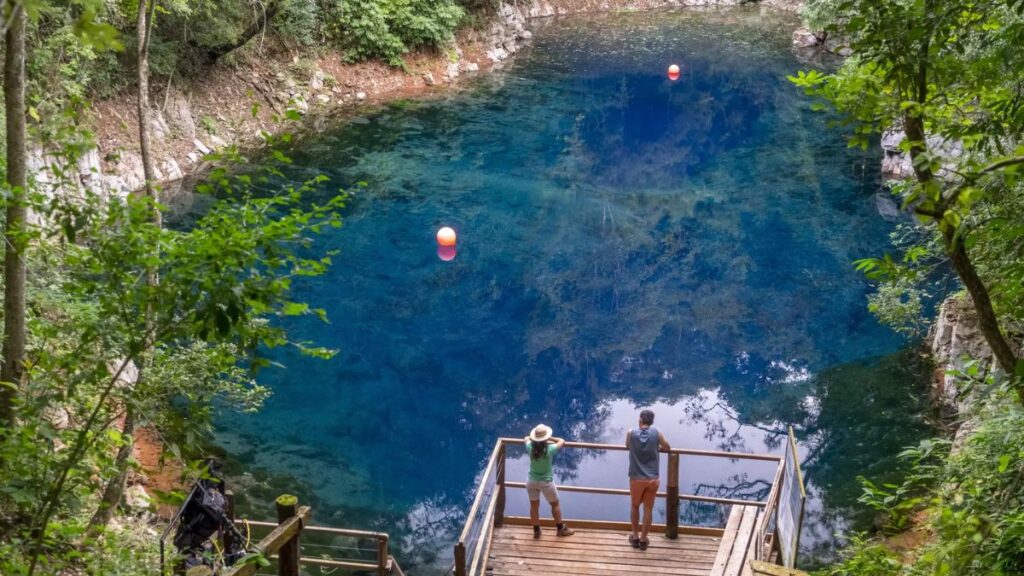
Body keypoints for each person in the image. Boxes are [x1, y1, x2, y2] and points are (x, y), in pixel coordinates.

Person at [626, 409, 670, 550]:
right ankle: (644, 540)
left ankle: (635, 537)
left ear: (640, 420)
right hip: (652, 479)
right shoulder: (657, 432)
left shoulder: (631, 433)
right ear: (651, 422)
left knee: (634, 506)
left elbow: (628, 445)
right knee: (648, 509)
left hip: (636, 479)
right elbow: (667, 447)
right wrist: (656, 447)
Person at [524, 424, 575, 539]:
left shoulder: (530, 447)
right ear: (545, 438)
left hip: (531, 481)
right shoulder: (549, 449)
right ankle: (560, 528)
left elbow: (526, 438)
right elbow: (562, 441)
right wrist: (551, 439)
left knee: (534, 506)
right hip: (546, 482)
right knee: (555, 504)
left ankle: (536, 531)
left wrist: (532, 439)